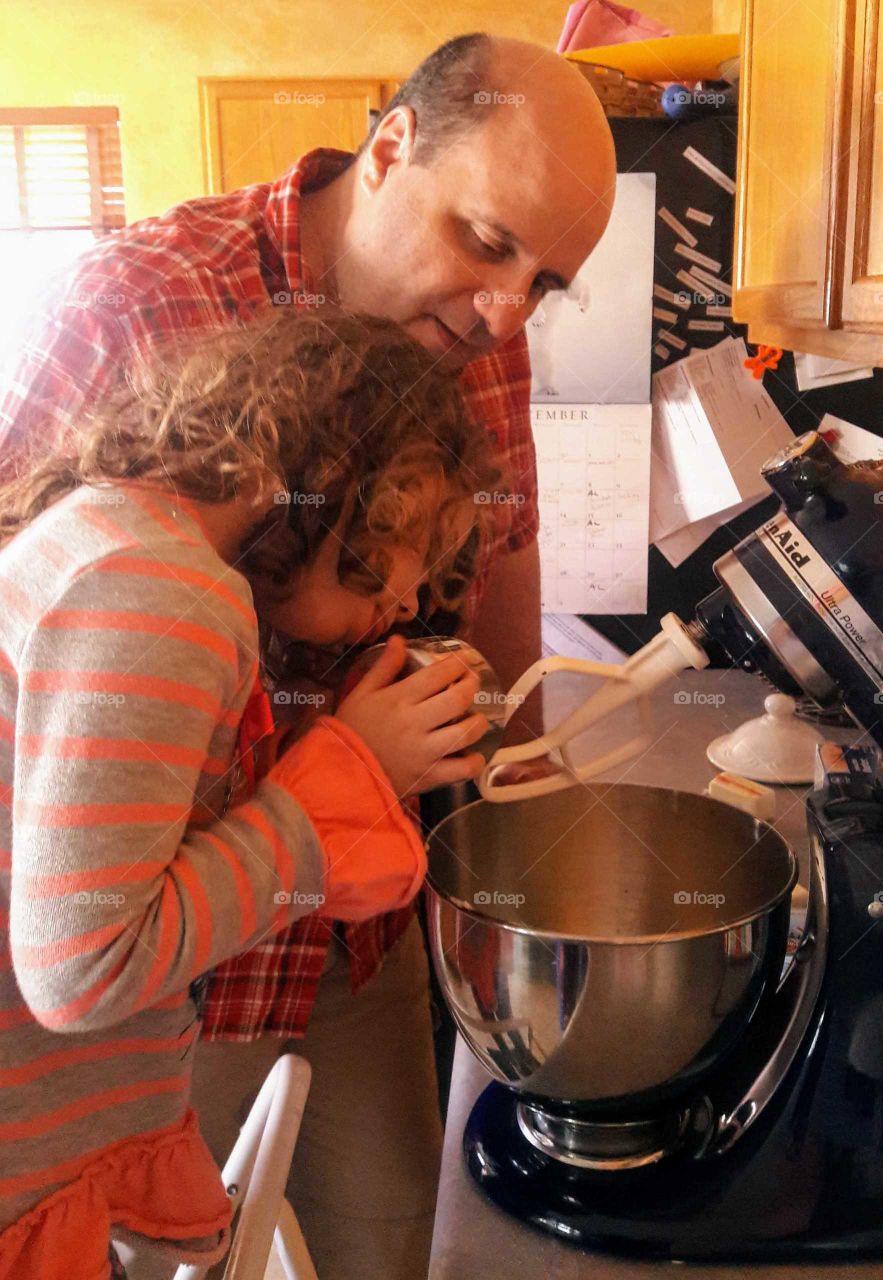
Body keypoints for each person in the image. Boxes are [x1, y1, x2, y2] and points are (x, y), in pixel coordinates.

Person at [0, 32, 617, 1277]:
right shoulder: (148, 297)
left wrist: (529, 808)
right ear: (389, 148)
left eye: (545, 283)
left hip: (347, 924)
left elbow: (505, 571)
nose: (506, 310)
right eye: (487, 240)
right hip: (155, 984)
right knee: (156, 1244)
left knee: (394, 1236)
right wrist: (330, 766)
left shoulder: (482, 339)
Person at [0, 309, 499, 1280]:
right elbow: (84, 966)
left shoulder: (117, 531)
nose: (408, 602)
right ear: (362, 484)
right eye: (420, 550)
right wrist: (337, 788)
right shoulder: (161, 589)